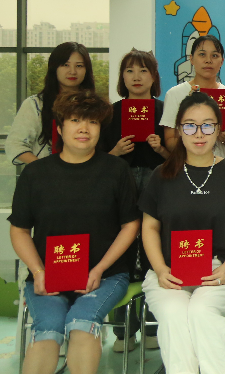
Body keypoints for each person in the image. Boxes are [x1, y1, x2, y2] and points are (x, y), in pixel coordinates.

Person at [9, 91, 140, 374]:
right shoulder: (35, 174)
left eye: (92, 122)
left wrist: (99, 269)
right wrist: (39, 271)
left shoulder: (116, 170)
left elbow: (130, 225)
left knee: (82, 321)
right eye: (75, 120)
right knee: (48, 328)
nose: (84, 128)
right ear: (59, 128)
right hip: (47, 276)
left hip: (106, 275)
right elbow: (19, 229)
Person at [140, 92, 225, 374]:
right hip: (169, 271)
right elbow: (150, 226)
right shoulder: (161, 175)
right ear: (179, 130)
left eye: (207, 125)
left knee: (202, 312)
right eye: (190, 125)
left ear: (218, 129)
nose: (199, 133)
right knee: (174, 313)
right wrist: (160, 269)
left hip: (220, 268)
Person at [99, 48, 167, 352]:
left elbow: (178, 157)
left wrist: (160, 148)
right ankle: (123, 331)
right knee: (121, 252)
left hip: (157, 183)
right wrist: (114, 153)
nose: (136, 77)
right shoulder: (109, 113)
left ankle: (152, 326)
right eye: (130, 71)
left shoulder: (165, 111)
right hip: (120, 184)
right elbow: (94, 159)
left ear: (154, 77)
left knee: (155, 253)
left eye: (143, 70)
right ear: (122, 77)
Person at [7, 41, 95, 164]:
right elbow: (15, 144)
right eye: (65, 65)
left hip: (87, 173)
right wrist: (44, 169)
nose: (72, 71)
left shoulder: (94, 105)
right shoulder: (35, 104)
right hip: (44, 173)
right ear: (54, 68)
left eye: (79, 66)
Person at [161, 34, 225, 160]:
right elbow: (170, 141)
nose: (208, 60)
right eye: (202, 54)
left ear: (222, 61)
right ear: (191, 59)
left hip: (222, 163)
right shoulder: (175, 94)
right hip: (188, 163)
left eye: (214, 55)